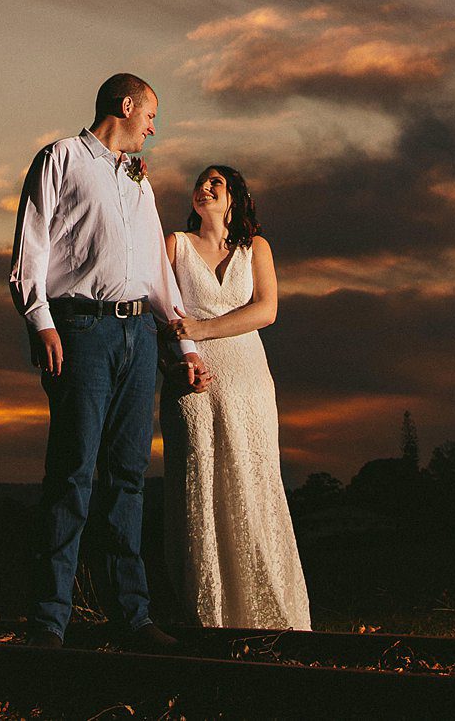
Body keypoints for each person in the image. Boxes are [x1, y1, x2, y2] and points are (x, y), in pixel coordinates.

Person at [7, 71, 212, 649]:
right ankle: (50, 619)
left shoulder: (139, 182)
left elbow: (156, 270)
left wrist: (183, 344)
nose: (155, 125)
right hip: (82, 331)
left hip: (139, 334)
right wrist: (42, 322)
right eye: (151, 113)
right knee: (73, 471)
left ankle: (133, 616)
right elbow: (32, 247)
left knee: (127, 477)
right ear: (126, 105)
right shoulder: (61, 158)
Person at [159, 163, 312, 629]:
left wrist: (202, 328)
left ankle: (268, 617)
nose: (204, 187)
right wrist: (175, 361)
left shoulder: (256, 249)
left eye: (216, 183)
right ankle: (202, 617)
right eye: (201, 182)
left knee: (253, 478)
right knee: (199, 484)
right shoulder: (174, 245)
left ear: (234, 199)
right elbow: (155, 313)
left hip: (249, 377)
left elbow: (266, 310)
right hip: (194, 379)